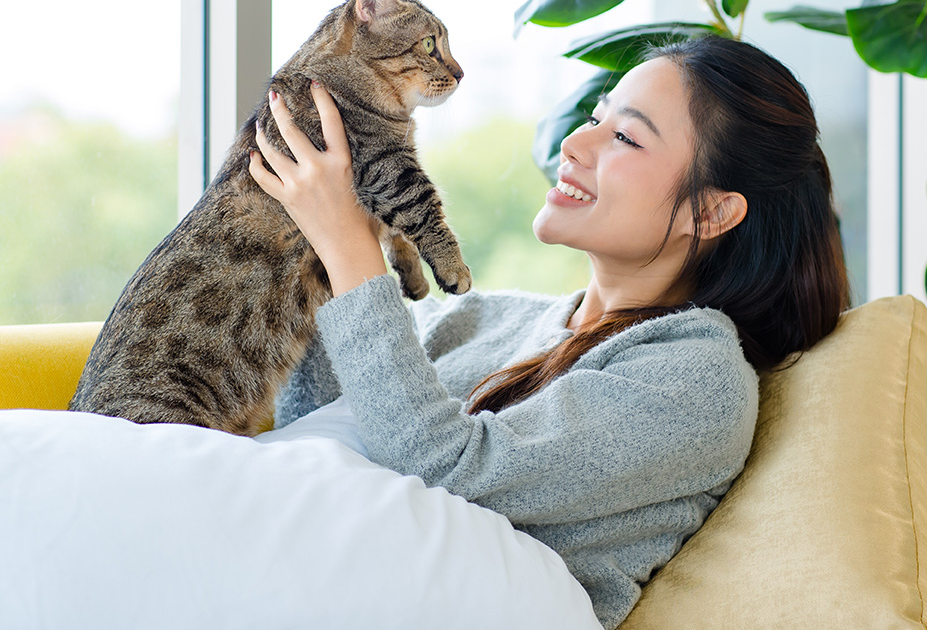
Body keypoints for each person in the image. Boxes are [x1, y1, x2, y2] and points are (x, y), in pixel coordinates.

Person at [247, 34, 849, 630]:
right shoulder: (482, 319)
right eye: (595, 116)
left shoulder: (697, 381)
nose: (574, 144)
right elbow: (321, 426)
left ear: (710, 211)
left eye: (624, 137)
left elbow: (448, 473)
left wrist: (348, 246)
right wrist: (314, 233)